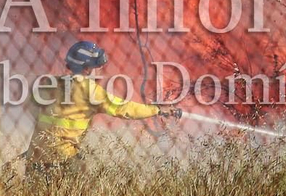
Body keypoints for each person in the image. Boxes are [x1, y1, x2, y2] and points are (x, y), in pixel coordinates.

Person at [27, 40, 180, 173]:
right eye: (97, 66)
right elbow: (124, 109)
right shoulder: (91, 91)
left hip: (35, 154)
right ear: (87, 68)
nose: (99, 70)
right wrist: (157, 109)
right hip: (63, 158)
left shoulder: (49, 83)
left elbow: (31, 106)